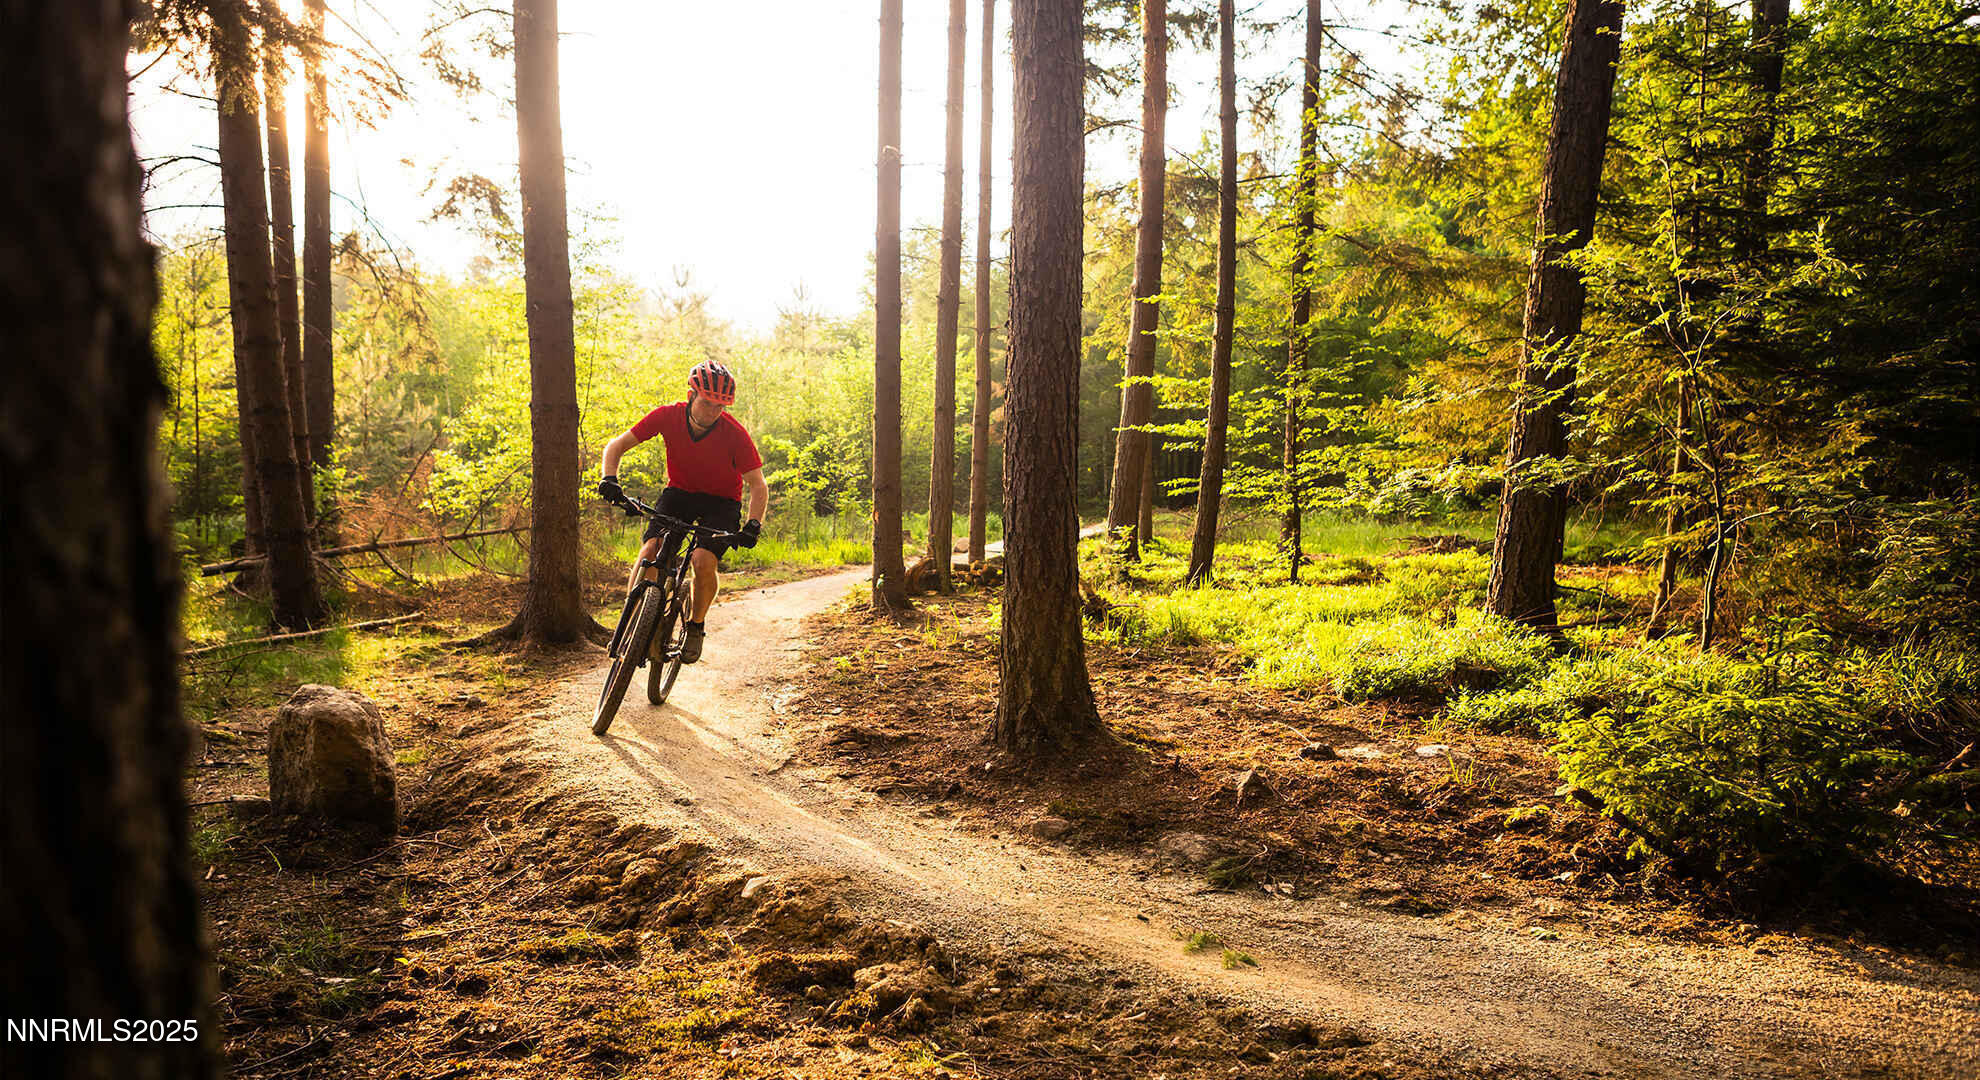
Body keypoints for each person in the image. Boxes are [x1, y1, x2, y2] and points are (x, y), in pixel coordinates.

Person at [596, 360, 767, 664]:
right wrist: (609, 478)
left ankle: (696, 626)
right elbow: (616, 446)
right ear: (691, 396)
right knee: (651, 549)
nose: (712, 411)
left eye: (720, 406)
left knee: (703, 560)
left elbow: (758, 484)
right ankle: (632, 620)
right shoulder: (668, 416)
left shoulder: (734, 434)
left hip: (722, 502)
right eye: (707, 402)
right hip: (680, 494)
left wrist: (753, 524)